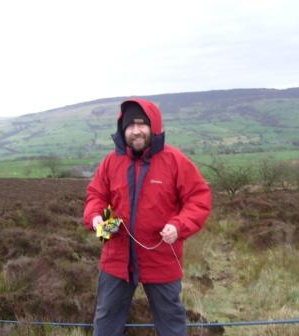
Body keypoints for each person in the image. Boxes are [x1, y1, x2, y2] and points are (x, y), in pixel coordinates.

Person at [83, 98, 211, 336]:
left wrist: (178, 225)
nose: (136, 130)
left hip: (161, 256)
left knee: (171, 320)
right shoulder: (111, 161)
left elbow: (198, 198)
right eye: (130, 126)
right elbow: (96, 195)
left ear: (154, 126)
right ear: (123, 130)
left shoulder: (175, 161)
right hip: (116, 256)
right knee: (106, 318)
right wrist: (94, 217)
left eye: (142, 124)